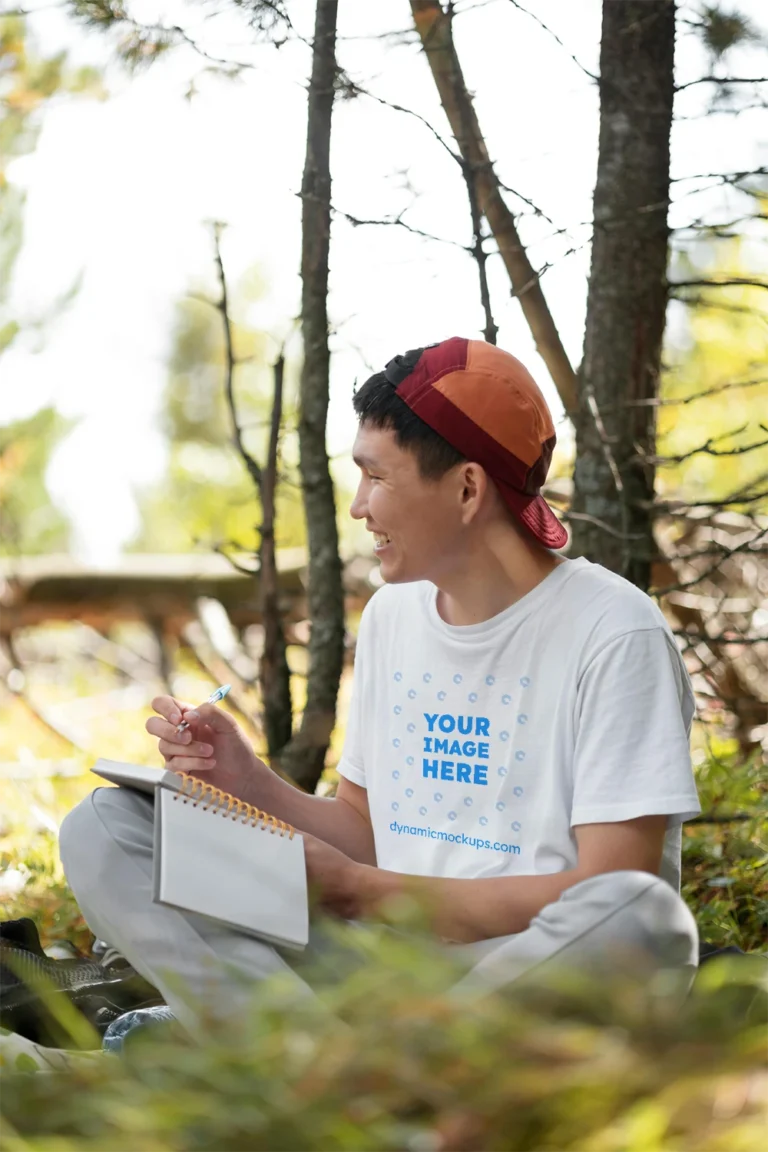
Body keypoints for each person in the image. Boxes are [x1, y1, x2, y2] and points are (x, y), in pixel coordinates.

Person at [59, 337, 701, 1025]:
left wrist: (367, 893)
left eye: (377, 477)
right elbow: (368, 830)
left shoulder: (614, 632)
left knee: (640, 913)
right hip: (372, 961)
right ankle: (314, 1058)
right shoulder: (395, 615)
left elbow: (612, 884)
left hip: (521, 970)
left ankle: (318, 1063)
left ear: (467, 488)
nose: (360, 506)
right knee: (104, 827)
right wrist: (247, 781)